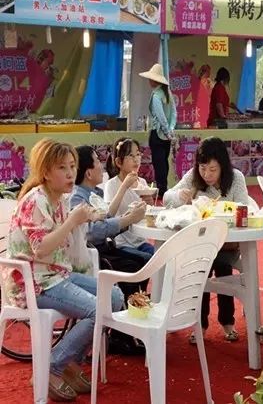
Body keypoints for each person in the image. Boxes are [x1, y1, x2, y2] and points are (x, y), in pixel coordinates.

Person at [2, 139, 123, 401]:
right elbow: (41, 249)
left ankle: (68, 362)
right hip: (34, 283)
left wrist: (82, 220)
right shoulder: (36, 200)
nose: (70, 173)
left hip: (57, 275)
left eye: (72, 166)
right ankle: (52, 366)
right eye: (62, 167)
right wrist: (72, 222)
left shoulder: (59, 198)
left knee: (114, 297)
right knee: (99, 309)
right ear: (46, 172)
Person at [163, 137, 249, 341]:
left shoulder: (236, 178)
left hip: (227, 244)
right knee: (200, 269)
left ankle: (227, 322)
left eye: (212, 169)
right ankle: (199, 325)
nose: (207, 175)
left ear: (222, 166)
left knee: (223, 267)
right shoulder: (193, 177)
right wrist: (180, 196)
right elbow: (167, 198)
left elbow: (244, 207)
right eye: (203, 168)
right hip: (200, 244)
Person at [72, 145, 150, 355]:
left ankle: (132, 322)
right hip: (93, 254)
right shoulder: (78, 198)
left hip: (105, 247)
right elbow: (92, 232)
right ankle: (121, 334)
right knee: (134, 265)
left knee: (145, 260)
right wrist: (127, 220)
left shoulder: (94, 193)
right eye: (97, 161)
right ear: (88, 172)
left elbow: (106, 218)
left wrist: (127, 218)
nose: (102, 166)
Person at [103, 138, 155, 256]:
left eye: (138, 154)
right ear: (119, 162)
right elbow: (108, 215)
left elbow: (147, 216)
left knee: (159, 256)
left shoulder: (142, 182)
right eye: (131, 156)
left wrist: (150, 204)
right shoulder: (111, 185)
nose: (136, 159)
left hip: (141, 241)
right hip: (121, 244)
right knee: (148, 258)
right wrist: (124, 186)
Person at [140, 63, 176, 198]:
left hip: (158, 133)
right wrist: (170, 130)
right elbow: (174, 113)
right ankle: (163, 188)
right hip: (167, 136)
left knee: (158, 163)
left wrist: (166, 130)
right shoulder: (168, 93)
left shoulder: (156, 95)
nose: (149, 81)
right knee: (164, 162)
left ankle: (161, 190)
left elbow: (160, 117)